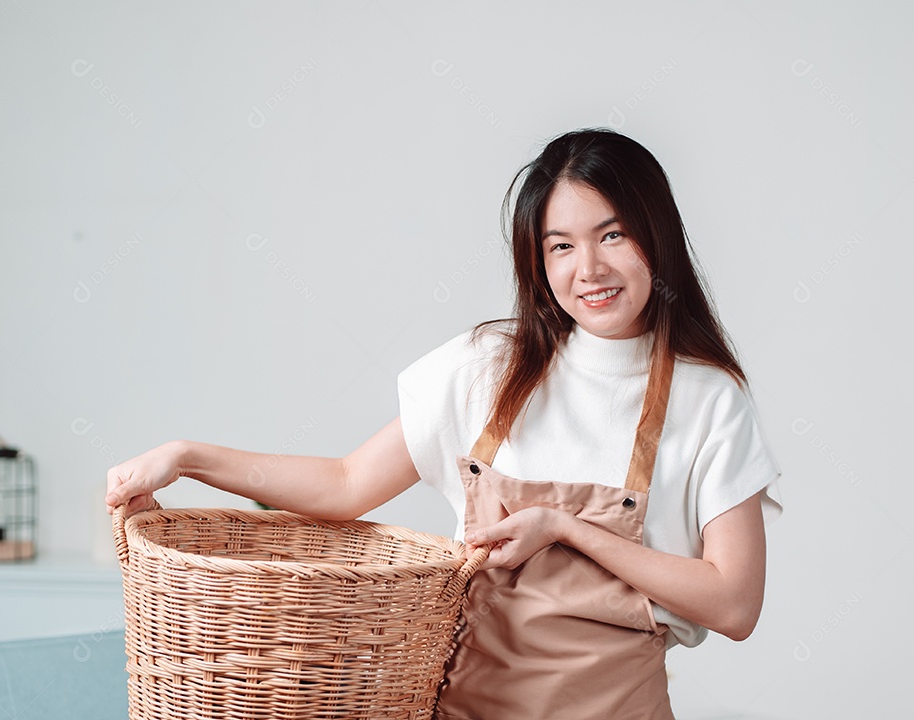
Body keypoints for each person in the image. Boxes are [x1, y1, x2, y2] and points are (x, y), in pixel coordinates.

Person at [104, 127, 783, 719]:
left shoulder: (708, 400)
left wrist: (566, 528)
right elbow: (344, 484)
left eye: (613, 234)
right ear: (538, 260)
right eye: (560, 246)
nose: (590, 269)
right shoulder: (489, 367)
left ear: (655, 233)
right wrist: (188, 457)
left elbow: (734, 603)